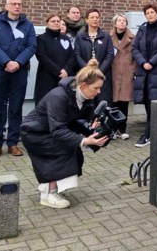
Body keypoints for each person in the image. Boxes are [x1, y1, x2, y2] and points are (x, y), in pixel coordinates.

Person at [20, 59, 110, 209]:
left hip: (49, 130)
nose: (99, 92)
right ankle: (49, 195)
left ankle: (47, 188)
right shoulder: (59, 96)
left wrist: (92, 128)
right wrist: (85, 141)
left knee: (72, 151)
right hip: (35, 132)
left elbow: (80, 121)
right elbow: (58, 130)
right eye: (96, 88)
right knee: (61, 152)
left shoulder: (85, 98)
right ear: (84, 85)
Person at [0, 0, 37, 158]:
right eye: (13, 4)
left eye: (19, 4)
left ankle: (13, 142)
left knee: (16, 107)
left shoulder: (28, 25)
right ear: (6, 6)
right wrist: (6, 62)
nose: (17, 7)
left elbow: (31, 46)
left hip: (19, 71)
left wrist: (18, 62)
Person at [132, 4, 157, 147]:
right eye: (147, 13)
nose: (150, 15)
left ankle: (148, 134)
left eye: (152, 12)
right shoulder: (142, 30)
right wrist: (143, 62)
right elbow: (135, 48)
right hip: (145, 72)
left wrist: (152, 62)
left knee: (156, 103)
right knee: (147, 101)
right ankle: (151, 132)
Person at [34, 13, 75, 105]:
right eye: (53, 21)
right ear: (47, 23)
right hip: (47, 78)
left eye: (58, 21)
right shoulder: (41, 39)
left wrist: (66, 70)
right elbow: (42, 57)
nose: (56, 23)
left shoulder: (66, 38)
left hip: (65, 78)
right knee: (46, 103)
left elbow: (72, 56)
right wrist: (59, 72)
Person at [74, 9, 114, 105]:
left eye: (97, 17)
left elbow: (110, 55)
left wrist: (99, 72)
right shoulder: (80, 37)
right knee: (88, 103)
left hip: (103, 75)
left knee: (103, 103)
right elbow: (77, 55)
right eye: (92, 17)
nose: (95, 19)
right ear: (87, 20)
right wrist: (88, 71)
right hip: (86, 76)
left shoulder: (105, 36)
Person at [110, 13, 135, 140]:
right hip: (113, 74)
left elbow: (136, 56)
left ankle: (123, 129)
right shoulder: (108, 38)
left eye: (124, 21)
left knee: (124, 103)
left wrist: (133, 70)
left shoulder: (133, 38)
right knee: (114, 103)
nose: (122, 22)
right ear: (115, 23)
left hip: (126, 74)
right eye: (119, 20)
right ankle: (113, 129)